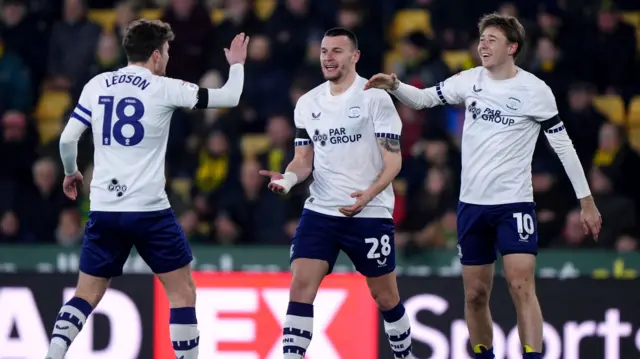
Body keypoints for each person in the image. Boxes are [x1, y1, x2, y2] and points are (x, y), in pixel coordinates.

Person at [364, 13, 601, 359]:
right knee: (475, 294)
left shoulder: (536, 91)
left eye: (492, 39)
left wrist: (587, 201)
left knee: (521, 284)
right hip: (471, 206)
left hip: (515, 204)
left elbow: (564, 147)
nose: (483, 45)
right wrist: (396, 85)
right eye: (482, 39)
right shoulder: (470, 80)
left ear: (512, 47)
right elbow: (424, 99)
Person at [46, 20, 248, 359]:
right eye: (166, 52)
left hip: (105, 208)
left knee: (86, 294)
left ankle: (53, 353)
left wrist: (71, 172)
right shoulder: (163, 86)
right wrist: (238, 65)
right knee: (182, 293)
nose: (167, 58)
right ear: (156, 54)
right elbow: (231, 95)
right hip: (149, 211)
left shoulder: (97, 84)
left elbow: (67, 138)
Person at [259, 27, 413, 359]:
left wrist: (369, 195)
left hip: (369, 212)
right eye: (324, 51)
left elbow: (394, 161)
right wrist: (286, 180)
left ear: (354, 57)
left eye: (337, 51)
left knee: (385, 297)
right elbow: (302, 161)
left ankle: (404, 354)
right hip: (322, 211)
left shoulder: (374, 97)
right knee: (300, 286)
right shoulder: (307, 103)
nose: (328, 57)